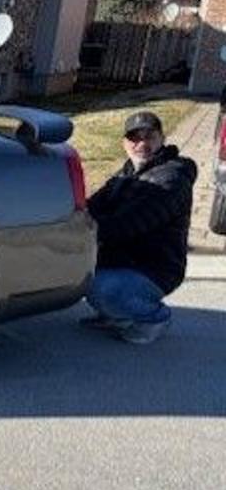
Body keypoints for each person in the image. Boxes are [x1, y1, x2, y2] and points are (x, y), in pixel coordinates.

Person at [83, 111, 197, 343]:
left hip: (154, 269)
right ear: (124, 143)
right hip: (124, 260)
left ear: (162, 138)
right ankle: (116, 315)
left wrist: (85, 233)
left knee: (101, 289)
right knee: (79, 274)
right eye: (134, 138)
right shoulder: (125, 175)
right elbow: (92, 206)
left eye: (149, 136)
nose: (142, 143)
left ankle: (154, 317)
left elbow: (133, 222)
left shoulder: (172, 177)